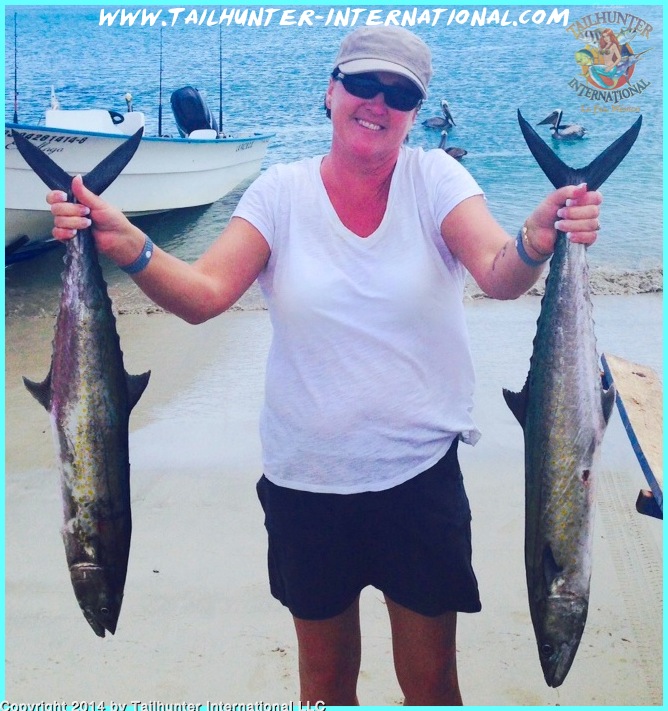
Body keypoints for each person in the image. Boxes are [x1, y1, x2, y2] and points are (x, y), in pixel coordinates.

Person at [47, 25, 602, 706]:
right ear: (331, 91)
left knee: (432, 687)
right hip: (304, 484)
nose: (378, 103)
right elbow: (204, 294)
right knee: (324, 687)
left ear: (416, 112)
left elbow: (498, 271)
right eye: (363, 83)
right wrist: (127, 243)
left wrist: (537, 239)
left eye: (400, 94)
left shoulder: (435, 179)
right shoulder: (280, 193)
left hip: (418, 478)